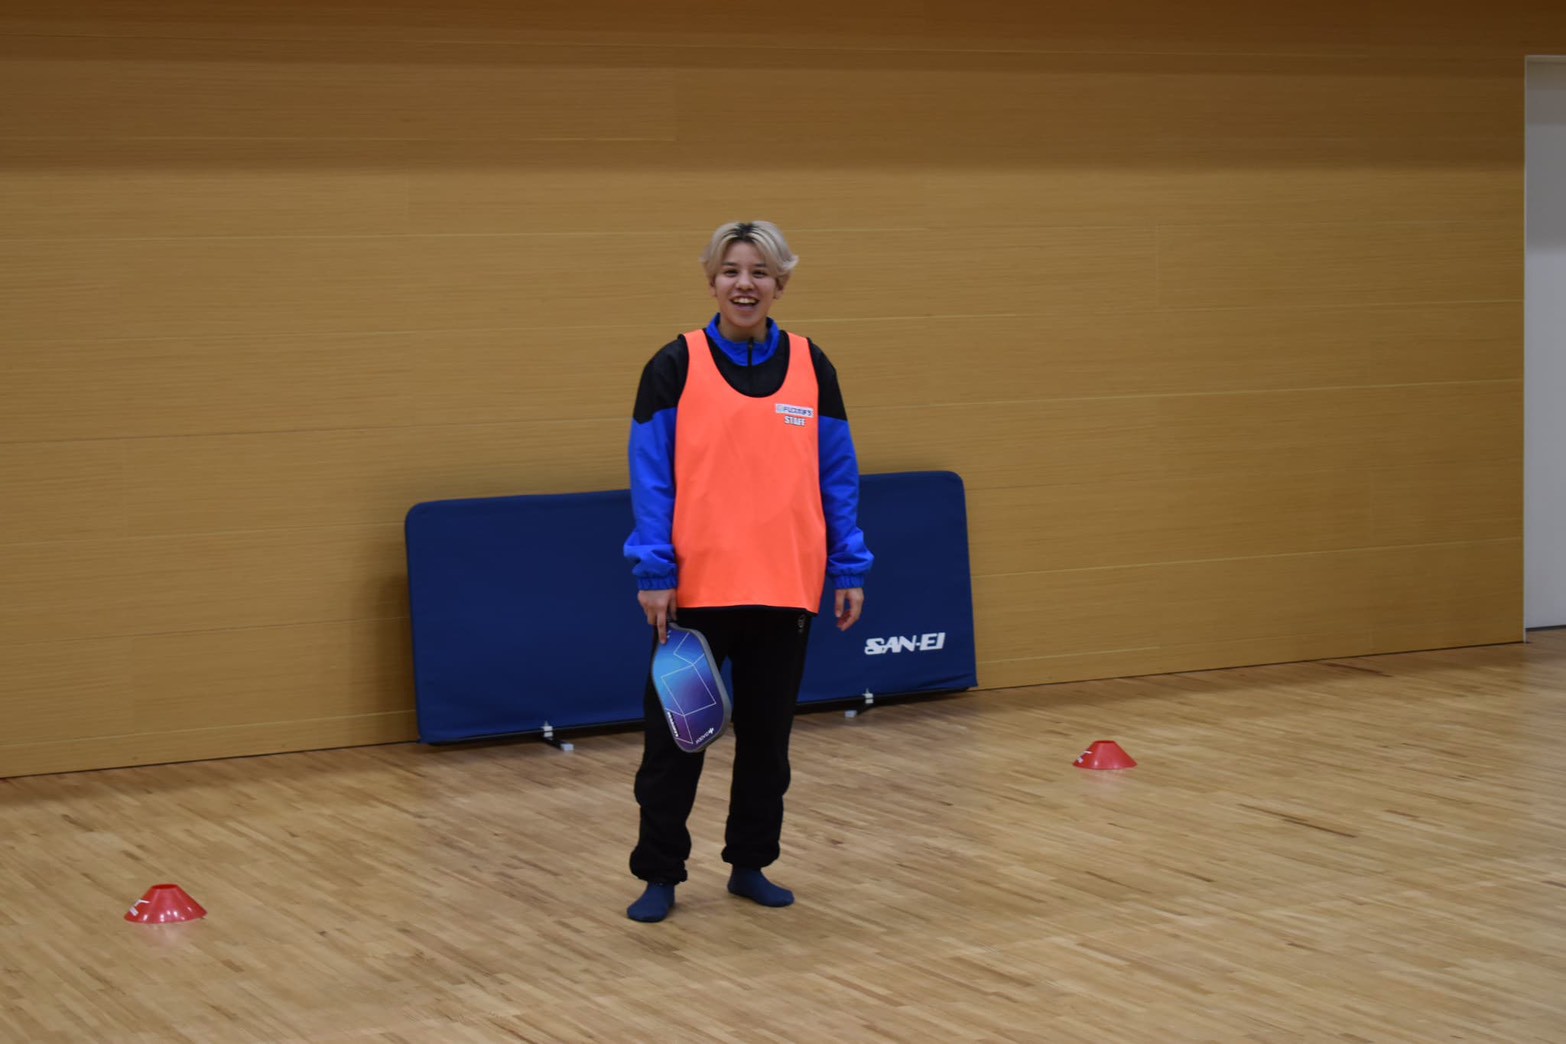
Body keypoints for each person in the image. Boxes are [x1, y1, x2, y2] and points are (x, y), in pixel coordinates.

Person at [621, 220, 874, 923]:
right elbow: (650, 477)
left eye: (760, 272)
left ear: (780, 284)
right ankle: (660, 874)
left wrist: (849, 566)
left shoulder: (812, 366)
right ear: (712, 281)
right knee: (676, 745)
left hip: (785, 592)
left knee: (767, 745)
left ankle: (750, 864)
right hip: (693, 600)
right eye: (732, 270)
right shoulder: (674, 364)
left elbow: (838, 475)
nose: (745, 284)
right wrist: (653, 571)